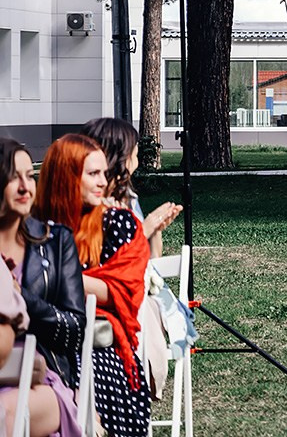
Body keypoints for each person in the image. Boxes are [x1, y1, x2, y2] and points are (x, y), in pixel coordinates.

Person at [34, 134, 151, 437]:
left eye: (104, 173)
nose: (103, 182)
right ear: (66, 176)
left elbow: (124, 290)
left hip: (98, 352)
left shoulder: (116, 224)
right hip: (41, 345)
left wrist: (56, 277)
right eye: (93, 174)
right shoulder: (35, 227)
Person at [0, 137, 81, 437]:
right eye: (12, 177)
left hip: (42, 378)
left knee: (3, 413)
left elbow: (75, 330)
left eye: (29, 176)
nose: (25, 187)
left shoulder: (56, 241)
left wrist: (22, 298)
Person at [80, 117, 181, 259]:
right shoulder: (90, 205)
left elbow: (151, 262)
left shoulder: (128, 196)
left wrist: (156, 229)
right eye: (134, 151)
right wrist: (146, 228)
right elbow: (112, 263)